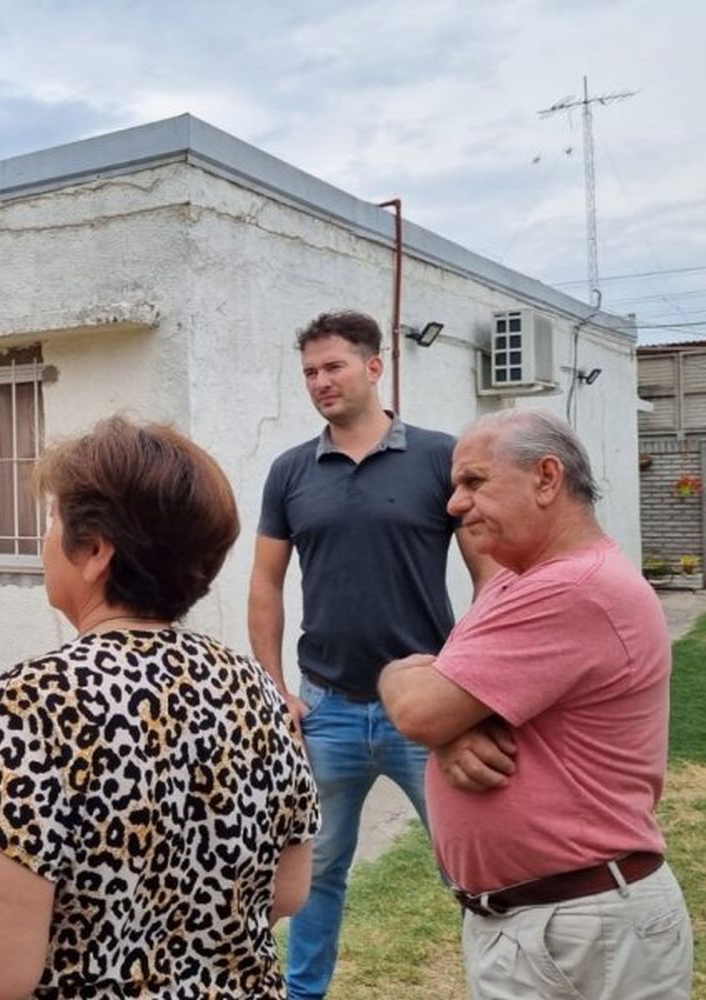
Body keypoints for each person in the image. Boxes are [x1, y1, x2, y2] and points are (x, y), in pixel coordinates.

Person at [0, 416, 320, 999]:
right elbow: (287, 890)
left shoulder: (37, 701)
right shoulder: (254, 686)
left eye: (53, 520)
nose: (46, 538)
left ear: (96, 552)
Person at [379, 409, 693, 999]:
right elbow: (434, 699)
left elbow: (419, 709)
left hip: (581, 932)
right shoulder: (514, 580)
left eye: (474, 482)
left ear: (547, 478)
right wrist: (445, 724)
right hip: (550, 925)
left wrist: (430, 709)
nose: (454, 504)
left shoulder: (573, 588)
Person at [247, 310, 490, 1000]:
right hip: (326, 709)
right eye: (310, 373)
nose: (321, 382)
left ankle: (503, 983)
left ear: (374, 367)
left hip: (430, 713)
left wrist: (472, 685)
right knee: (316, 870)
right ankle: (304, 993)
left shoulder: (441, 457)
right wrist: (275, 690)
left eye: (334, 367)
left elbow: (489, 580)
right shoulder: (291, 470)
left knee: (470, 864)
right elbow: (265, 584)